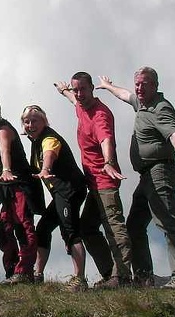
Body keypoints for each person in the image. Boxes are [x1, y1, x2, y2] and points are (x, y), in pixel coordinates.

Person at [97, 67, 175, 289]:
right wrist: (108, 86)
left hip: (160, 171)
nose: (138, 88)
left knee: (168, 222)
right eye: (137, 83)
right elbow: (125, 95)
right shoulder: (142, 103)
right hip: (146, 176)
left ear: (155, 86)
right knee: (135, 226)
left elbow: (174, 134)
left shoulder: (161, 108)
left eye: (144, 84)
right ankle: (143, 279)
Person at [55, 72, 132, 289]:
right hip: (93, 184)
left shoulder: (100, 115)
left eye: (82, 89)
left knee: (114, 226)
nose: (79, 94)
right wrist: (64, 91)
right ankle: (110, 274)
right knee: (87, 228)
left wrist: (108, 161)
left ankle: (123, 277)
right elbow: (73, 99)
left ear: (91, 89)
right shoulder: (81, 105)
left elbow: (106, 138)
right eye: (76, 89)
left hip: (105, 181)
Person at [21, 104, 90, 292]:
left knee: (70, 230)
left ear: (44, 121)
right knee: (43, 229)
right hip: (61, 192)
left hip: (70, 189)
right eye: (26, 122)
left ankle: (79, 279)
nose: (30, 125)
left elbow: (49, 154)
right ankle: (38, 274)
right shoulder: (35, 142)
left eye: (34, 121)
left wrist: (45, 169)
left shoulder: (49, 138)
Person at [0, 94, 42, 284]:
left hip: (20, 183)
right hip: (8, 187)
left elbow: (5, 149)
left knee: (23, 226)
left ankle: (25, 271)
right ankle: (12, 270)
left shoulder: (3, 129)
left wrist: (6, 169)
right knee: (3, 230)